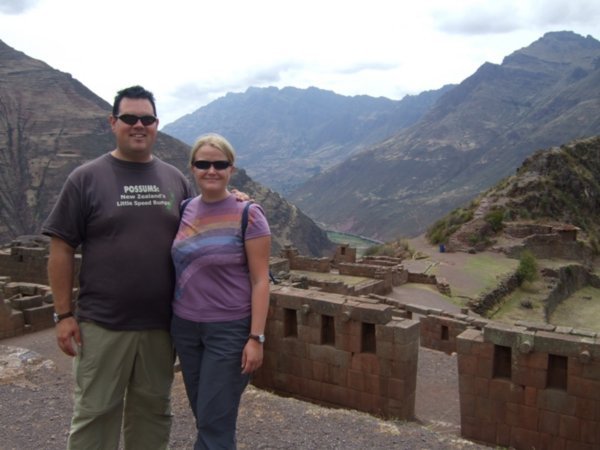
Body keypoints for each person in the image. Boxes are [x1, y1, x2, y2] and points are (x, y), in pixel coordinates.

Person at [42, 85, 195, 449]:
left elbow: (202, 228)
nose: (138, 125)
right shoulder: (86, 178)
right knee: (95, 414)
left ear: (157, 124)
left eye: (147, 118)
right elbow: (61, 247)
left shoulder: (175, 179)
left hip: (160, 327)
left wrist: (238, 203)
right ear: (113, 123)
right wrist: (63, 314)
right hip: (102, 324)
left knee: (153, 415)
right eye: (129, 118)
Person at [171, 133, 271, 450]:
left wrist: (256, 338)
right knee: (205, 413)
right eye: (203, 164)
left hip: (228, 330)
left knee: (215, 421)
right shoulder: (184, 209)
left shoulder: (249, 214)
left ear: (231, 169)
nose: (211, 170)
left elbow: (260, 280)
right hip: (185, 328)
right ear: (192, 168)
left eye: (219, 164)